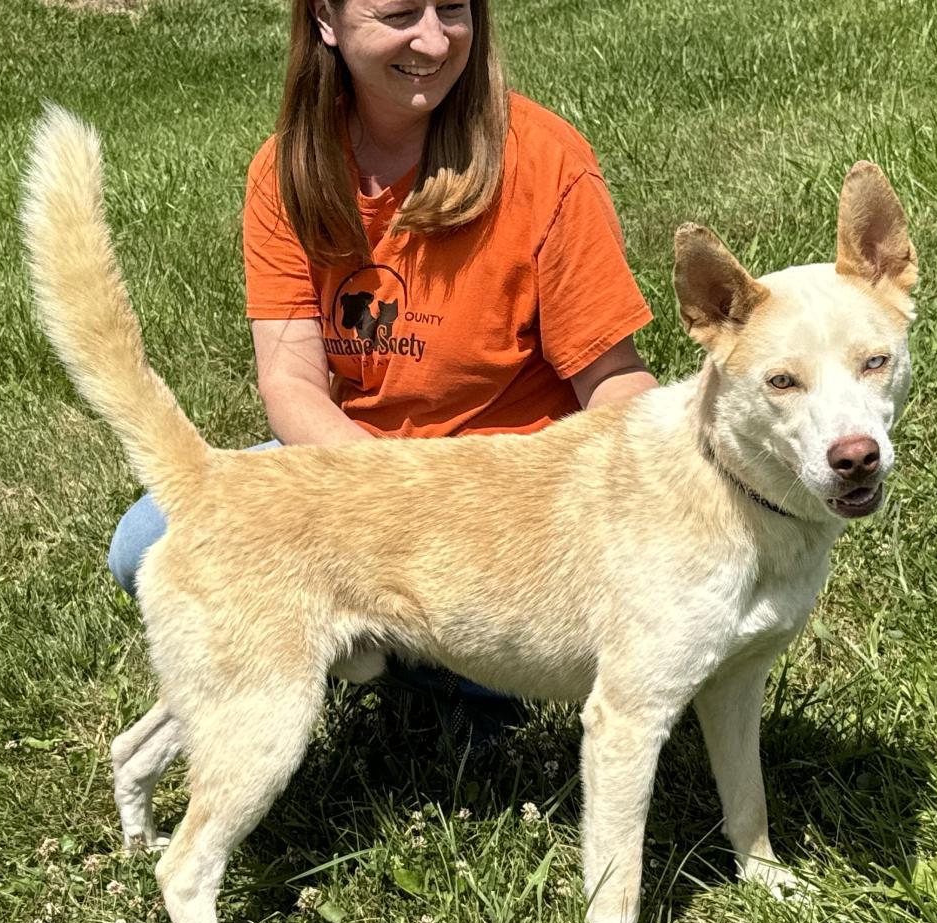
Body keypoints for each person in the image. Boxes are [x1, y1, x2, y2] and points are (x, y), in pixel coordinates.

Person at [108, 0, 658, 754]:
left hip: (509, 498)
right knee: (152, 541)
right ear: (326, 20)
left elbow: (615, 381)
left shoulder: (544, 157)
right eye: (400, 12)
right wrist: (387, 508)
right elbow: (291, 382)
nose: (433, 40)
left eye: (454, 10)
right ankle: (404, 658)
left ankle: (466, 679)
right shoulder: (288, 170)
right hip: (359, 465)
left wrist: (656, 511)